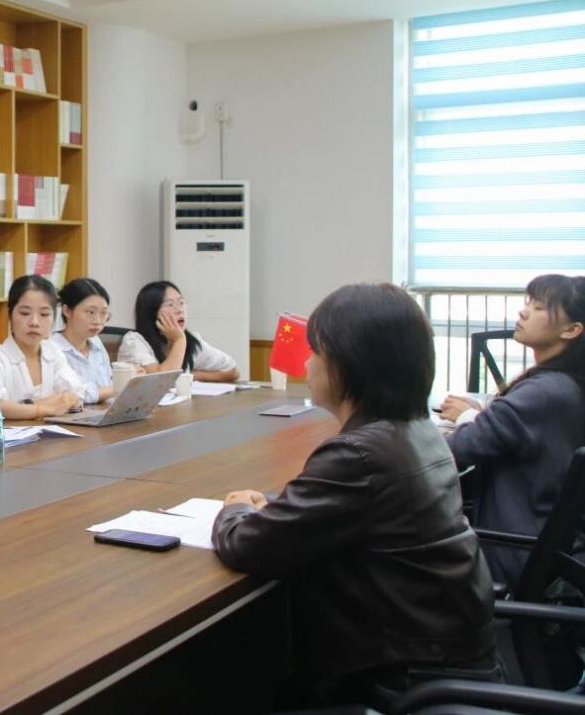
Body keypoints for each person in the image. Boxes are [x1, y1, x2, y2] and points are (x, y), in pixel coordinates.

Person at [212, 283, 497, 706]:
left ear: (348, 364)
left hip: (402, 674)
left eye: (315, 352)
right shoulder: (417, 430)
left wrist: (236, 508)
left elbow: (248, 546)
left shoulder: (359, 455)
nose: (306, 363)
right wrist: (284, 510)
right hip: (448, 648)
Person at [446, 274, 585, 587]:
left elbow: (454, 451)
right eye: (528, 303)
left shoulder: (544, 393)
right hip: (555, 550)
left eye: (538, 307)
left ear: (571, 330)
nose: (523, 312)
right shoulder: (567, 385)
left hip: (516, 552)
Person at [0, 276, 95, 420]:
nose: (34, 322)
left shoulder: (53, 351)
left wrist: (29, 407)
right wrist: (41, 408)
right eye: (25, 313)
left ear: (54, 318)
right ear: (10, 315)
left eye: (44, 314)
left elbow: (75, 393)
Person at [116, 280, 238, 382]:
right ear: (151, 313)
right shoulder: (134, 342)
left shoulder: (190, 340)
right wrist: (179, 340)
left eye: (181, 302)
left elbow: (232, 371)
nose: (180, 310)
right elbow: (161, 382)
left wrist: (191, 375)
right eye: (170, 305)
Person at [51, 277, 115, 403]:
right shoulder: (52, 348)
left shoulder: (96, 343)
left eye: (103, 313)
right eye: (90, 312)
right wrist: (118, 388)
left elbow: (108, 385)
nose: (98, 321)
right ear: (67, 311)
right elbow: (74, 395)